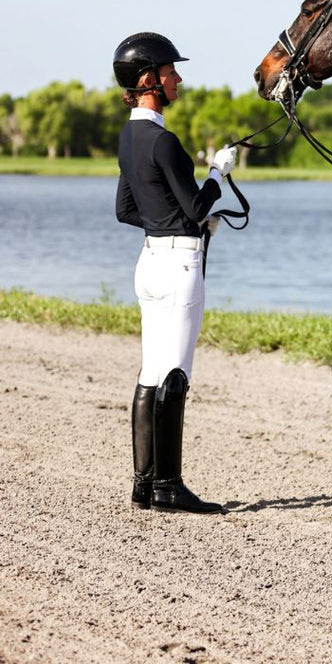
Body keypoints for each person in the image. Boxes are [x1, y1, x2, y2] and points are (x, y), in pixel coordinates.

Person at [113, 32, 237, 514]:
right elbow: (193, 202)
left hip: (148, 263)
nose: (178, 78)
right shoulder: (164, 141)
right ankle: (169, 485)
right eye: (170, 72)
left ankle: (143, 484)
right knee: (176, 376)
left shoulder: (128, 137)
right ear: (149, 81)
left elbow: (125, 209)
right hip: (181, 265)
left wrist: (176, 220)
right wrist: (217, 172)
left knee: (149, 373)